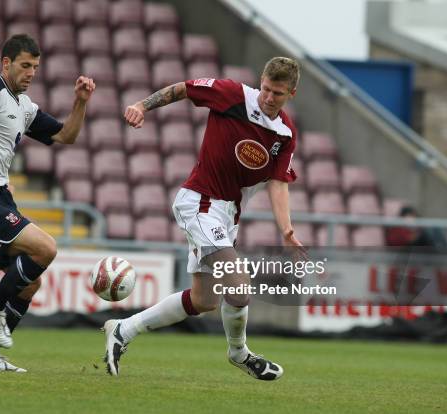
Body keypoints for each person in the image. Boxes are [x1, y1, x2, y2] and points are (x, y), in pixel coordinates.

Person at [103, 57, 306, 379]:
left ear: (291, 94)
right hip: (200, 202)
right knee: (238, 285)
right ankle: (239, 354)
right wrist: (142, 106)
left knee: (205, 300)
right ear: (261, 82)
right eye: (266, 89)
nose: (269, 97)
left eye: (278, 94)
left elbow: (278, 183)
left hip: (227, 214)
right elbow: (183, 89)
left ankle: (123, 329)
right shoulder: (233, 95)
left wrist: (286, 229)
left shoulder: (285, 133)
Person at [0, 34, 95, 372]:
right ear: (6, 63)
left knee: (30, 282)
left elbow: (65, 135)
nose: (31, 73)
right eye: (25, 65)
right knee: (46, 249)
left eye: (36, 67)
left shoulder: (23, 106)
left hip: (0, 198)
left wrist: (80, 101)